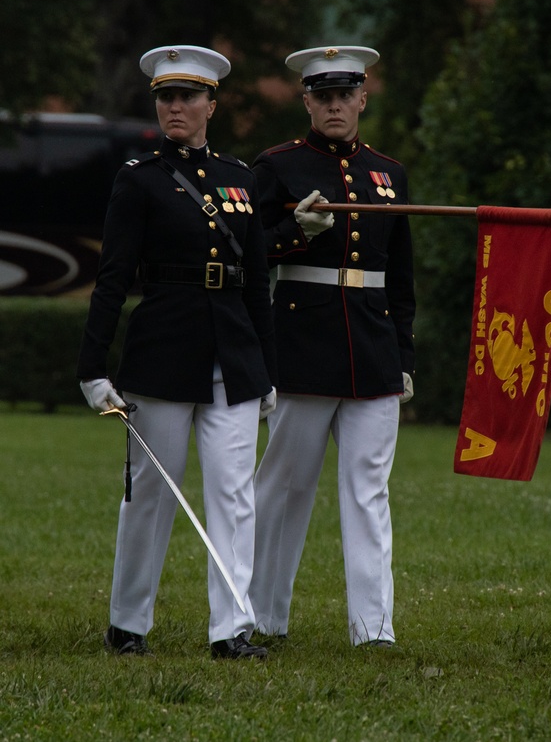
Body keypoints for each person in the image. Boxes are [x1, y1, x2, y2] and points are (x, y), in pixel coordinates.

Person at [77, 45, 277, 659]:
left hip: (234, 357)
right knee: (150, 495)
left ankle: (232, 629)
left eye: (188, 96)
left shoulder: (242, 179)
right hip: (162, 354)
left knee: (235, 494)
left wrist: (267, 371)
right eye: (166, 97)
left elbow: (258, 282)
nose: (175, 107)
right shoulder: (138, 178)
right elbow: (112, 277)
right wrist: (91, 367)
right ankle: (128, 622)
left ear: (211, 104)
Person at [249, 46, 415, 647]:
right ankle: (264, 616)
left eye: (346, 95)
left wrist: (405, 355)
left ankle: (373, 628)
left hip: (372, 349)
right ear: (307, 102)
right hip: (301, 343)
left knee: (369, 491)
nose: (335, 105)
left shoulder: (388, 173)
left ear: (363, 99)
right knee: (285, 487)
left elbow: (401, 275)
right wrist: (295, 232)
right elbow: (248, 253)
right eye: (323, 96)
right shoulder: (275, 166)